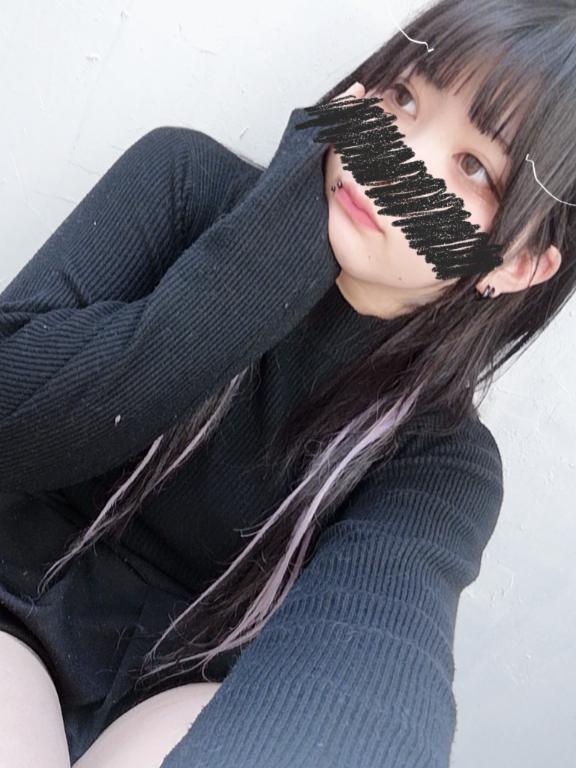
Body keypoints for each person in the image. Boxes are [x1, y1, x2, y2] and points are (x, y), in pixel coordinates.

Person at [0, 0, 573, 766]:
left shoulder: (441, 457)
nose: (397, 156)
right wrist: (276, 248)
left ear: (518, 264)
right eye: (402, 97)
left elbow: (374, 672)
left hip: (202, 690)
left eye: (475, 168)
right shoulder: (185, 185)